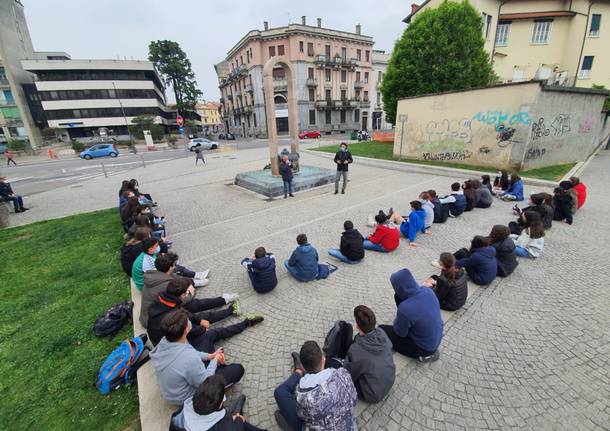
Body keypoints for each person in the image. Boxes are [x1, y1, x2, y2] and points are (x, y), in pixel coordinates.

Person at [150, 308, 261, 405]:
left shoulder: (167, 339)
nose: (190, 322)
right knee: (238, 369)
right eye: (188, 321)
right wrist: (215, 360)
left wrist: (210, 356)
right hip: (190, 396)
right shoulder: (188, 358)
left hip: (182, 380)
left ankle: (245, 323)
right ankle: (221, 378)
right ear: (186, 330)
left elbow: (192, 353)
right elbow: (204, 381)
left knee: (209, 335)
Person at [274, 341, 357, 431]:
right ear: (323, 359)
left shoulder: (302, 394)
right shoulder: (343, 374)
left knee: (280, 392)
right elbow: (354, 398)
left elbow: (302, 415)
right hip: (349, 426)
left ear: (303, 366)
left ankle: (298, 371)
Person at [141, 254, 240, 328]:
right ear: (170, 267)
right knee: (197, 310)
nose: (176, 266)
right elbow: (184, 300)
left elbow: (176, 279)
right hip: (157, 321)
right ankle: (227, 306)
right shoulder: (166, 285)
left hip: (158, 311)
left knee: (195, 305)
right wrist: (191, 293)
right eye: (175, 264)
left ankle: (223, 299)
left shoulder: (155, 275)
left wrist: (189, 284)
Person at [147, 279, 242, 346]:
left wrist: (200, 321)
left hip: (171, 333)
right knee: (211, 334)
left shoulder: (164, 299)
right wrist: (202, 329)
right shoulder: (171, 314)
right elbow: (188, 332)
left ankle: (231, 310)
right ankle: (242, 322)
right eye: (187, 293)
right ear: (183, 295)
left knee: (204, 316)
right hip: (171, 344)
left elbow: (183, 311)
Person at [380, 269, 443, 362]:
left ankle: (425, 356)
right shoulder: (428, 291)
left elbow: (400, 333)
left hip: (423, 348)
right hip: (435, 338)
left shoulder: (405, 308)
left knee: (381, 329)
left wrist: (401, 321)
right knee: (397, 297)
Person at [342, 305, 396, 403]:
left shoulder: (356, 349)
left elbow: (348, 373)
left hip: (372, 394)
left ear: (357, 326)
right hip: (390, 380)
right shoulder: (382, 333)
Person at [172, 375, 265, 431]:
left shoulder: (179, 415)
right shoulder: (226, 428)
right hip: (230, 426)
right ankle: (236, 415)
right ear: (220, 403)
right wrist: (238, 420)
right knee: (243, 424)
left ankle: (233, 414)